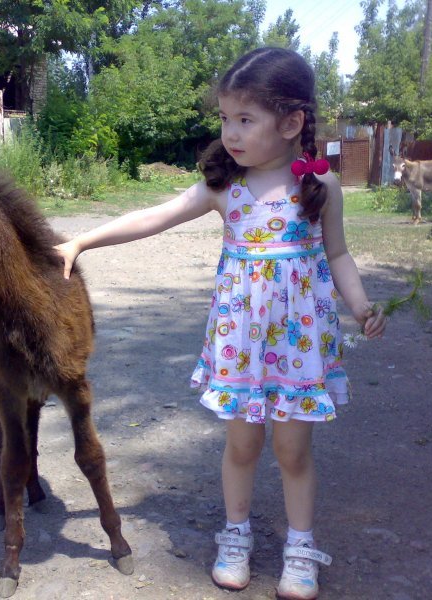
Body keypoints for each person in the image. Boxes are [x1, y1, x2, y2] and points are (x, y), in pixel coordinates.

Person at [54, 47, 387, 600]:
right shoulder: (223, 188)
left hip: (299, 346)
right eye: (225, 119)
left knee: (293, 452)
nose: (230, 133)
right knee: (241, 446)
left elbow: (339, 257)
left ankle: (300, 548)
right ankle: (236, 536)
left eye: (244, 119)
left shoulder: (322, 188)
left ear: (291, 123)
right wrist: (83, 240)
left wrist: (360, 307)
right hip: (241, 348)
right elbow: (152, 217)